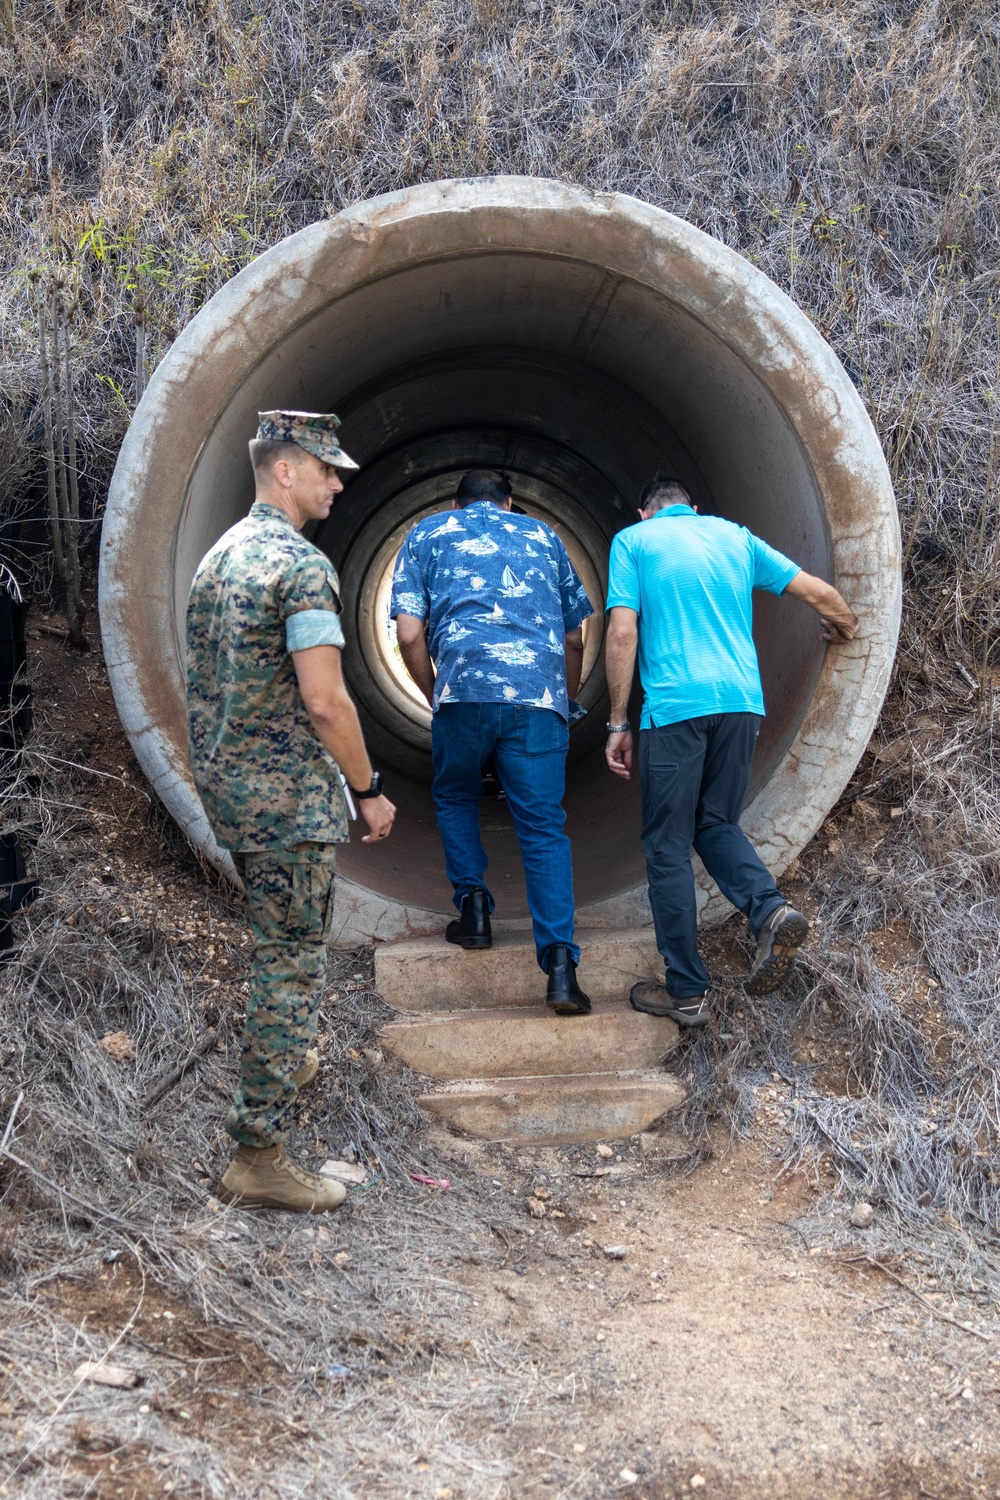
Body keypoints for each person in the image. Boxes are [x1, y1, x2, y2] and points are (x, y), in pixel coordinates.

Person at [186, 410, 396, 1212]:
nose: (338, 483)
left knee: (282, 951)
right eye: (327, 469)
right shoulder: (298, 567)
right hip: (287, 802)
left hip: (233, 794)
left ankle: (290, 1060)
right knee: (288, 965)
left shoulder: (218, 559)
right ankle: (258, 1153)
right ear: (285, 470)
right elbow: (325, 700)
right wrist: (368, 790)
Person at [604, 473, 858, 1026]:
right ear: (692, 508)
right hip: (742, 703)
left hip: (675, 709)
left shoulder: (634, 541)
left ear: (645, 512)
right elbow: (816, 592)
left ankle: (687, 990)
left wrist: (618, 720)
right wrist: (846, 626)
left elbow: (622, 633)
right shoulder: (734, 536)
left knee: (668, 847)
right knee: (716, 823)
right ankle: (769, 911)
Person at [391, 468, 594, 1014]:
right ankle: (559, 969)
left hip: (462, 694)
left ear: (457, 504)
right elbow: (575, 634)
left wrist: (436, 691)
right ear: (509, 502)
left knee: (456, 795)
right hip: (537, 702)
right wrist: (562, 699)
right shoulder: (545, 535)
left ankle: (474, 909)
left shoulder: (427, 534)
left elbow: (409, 632)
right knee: (543, 829)